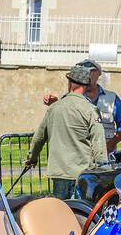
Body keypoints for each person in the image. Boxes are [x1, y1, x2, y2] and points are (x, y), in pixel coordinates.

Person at [25, 63, 108, 201]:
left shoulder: (54, 108)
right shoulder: (90, 110)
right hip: (82, 173)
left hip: (59, 173)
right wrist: (103, 168)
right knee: (80, 215)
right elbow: (98, 142)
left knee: (61, 215)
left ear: (69, 83)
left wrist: (31, 159)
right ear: (86, 85)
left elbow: (39, 138)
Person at [42, 59, 121, 154]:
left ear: (98, 74)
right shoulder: (71, 98)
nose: (86, 74)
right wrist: (56, 104)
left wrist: (111, 144)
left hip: (106, 157)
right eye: (84, 71)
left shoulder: (112, 98)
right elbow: (64, 120)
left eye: (90, 71)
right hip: (79, 157)